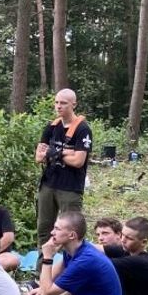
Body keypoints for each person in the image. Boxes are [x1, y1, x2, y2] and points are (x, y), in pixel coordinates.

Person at [27, 211, 122, 295]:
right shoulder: (73, 250)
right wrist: (41, 290)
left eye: (57, 229)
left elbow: (47, 292)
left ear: (72, 235)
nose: (52, 233)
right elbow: (48, 280)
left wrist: (47, 257)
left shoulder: (85, 260)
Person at [35, 88, 92, 272]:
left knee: (71, 232)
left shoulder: (83, 129)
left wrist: (56, 153)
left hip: (70, 187)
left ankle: (73, 270)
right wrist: (64, 152)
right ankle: (41, 271)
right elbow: (39, 156)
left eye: (63, 103)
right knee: (44, 228)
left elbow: (78, 161)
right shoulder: (51, 127)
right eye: (57, 102)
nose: (58, 106)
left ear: (73, 104)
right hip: (49, 183)